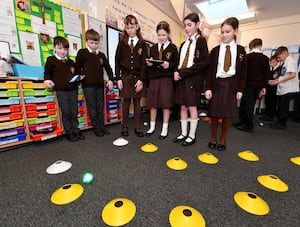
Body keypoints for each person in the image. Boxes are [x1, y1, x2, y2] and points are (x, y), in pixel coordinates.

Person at [205, 17, 247, 151]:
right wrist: (208, 88)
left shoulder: (241, 51)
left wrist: (240, 89)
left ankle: (223, 139)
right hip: (217, 84)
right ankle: (213, 137)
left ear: (235, 31)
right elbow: (210, 71)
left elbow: (243, 72)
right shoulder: (215, 50)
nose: (224, 35)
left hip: (232, 84)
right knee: (214, 112)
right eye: (222, 32)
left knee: (227, 113)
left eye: (227, 32)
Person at [173, 13, 209, 146]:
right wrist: (177, 71)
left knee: (192, 107)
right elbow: (180, 62)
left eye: (189, 25)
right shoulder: (183, 44)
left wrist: (184, 73)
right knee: (182, 106)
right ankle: (183, 133)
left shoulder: (201, 41)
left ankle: (191, 135)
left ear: (197, 25)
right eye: (185, 26)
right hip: (182, 78)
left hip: (193, 79)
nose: (187, 28)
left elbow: (203, 62)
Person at [44, 36, 84, 142]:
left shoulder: (71, 62)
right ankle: (69, 131)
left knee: (74, 111)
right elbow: (47, 73)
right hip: (61, 91)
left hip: (73, 90)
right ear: (54, 48)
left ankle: (76, 129)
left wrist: (79, 78)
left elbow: (76, 74)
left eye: (65, 49)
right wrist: (47, 80)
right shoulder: (51, 60)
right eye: (60, 48)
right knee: (66, 112)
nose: (63, 51)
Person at [75, 29, 114, 137]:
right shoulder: (82, 53)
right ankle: (96, 128)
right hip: (88, 86)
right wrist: (79, 76)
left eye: (96, 43)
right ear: (87, 41)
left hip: (99, 85)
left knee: (100, 107)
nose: (94, 45)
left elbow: (108, 68)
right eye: (92, 43)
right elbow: (77, 67)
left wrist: (111, 79)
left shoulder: (101, 55)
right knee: (92, 108)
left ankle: (102, 126)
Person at [115, 14, 148, 137]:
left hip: (138, 77)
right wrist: (118, 78)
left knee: (137, 103)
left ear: (137, 27)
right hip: (125, 76)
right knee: (126, 102)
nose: (130, 30)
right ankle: (124, 126)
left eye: (132, 27)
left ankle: (137, 127)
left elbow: (144, 64)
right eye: (127, 27)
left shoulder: (142, 44)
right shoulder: (122, 43)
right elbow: (117, 60)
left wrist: (141, 80)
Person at [145, 21, 179, 139]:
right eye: (159, 35)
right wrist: (149, 64)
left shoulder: (173, 48)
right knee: (153, 104)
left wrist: (168, 65)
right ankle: (152, 126)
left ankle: (164, 128)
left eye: (164, 35)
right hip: (154, 79)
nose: (161, 38)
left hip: (166, 79)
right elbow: (151, 62)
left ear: (168, 34)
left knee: (166, 105)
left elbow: (176, 64)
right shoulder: (153, 47)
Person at [234, 38, 270, 132]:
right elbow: (266, 74)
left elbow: (243, 72)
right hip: (258, 85)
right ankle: (242, 121)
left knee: (246, 104)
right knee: (250, 104)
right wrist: (264, 87)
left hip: (248, 84)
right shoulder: (265, 58)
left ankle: (248, 125)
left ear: (251, 46)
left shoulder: (248, 57)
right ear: (260, 46)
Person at [269, 46, 299, 129]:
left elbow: (292, 75)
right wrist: (276, 80)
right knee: (281, 106)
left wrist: (279, 81)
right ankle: (279, 122)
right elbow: (284, 75)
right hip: (284, 88)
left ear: (285, 53)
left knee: (284, 107)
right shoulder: (285, 62)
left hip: (289, 88)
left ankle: (282, 124)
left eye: (279, 57)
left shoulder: (290, 61)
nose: (278, 59)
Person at [261, 55, 282, 121]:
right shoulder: (268, 68)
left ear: (277, 62)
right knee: (267, 100)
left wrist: (273, 77)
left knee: (272, 101)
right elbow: (267, 76)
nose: (271, 64)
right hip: (268, 86)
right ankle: (267, 114)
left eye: (273, 62)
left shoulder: (279, 69)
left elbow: (275, 76)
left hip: (274, 87)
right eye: (270, 62)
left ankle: (271, 115)